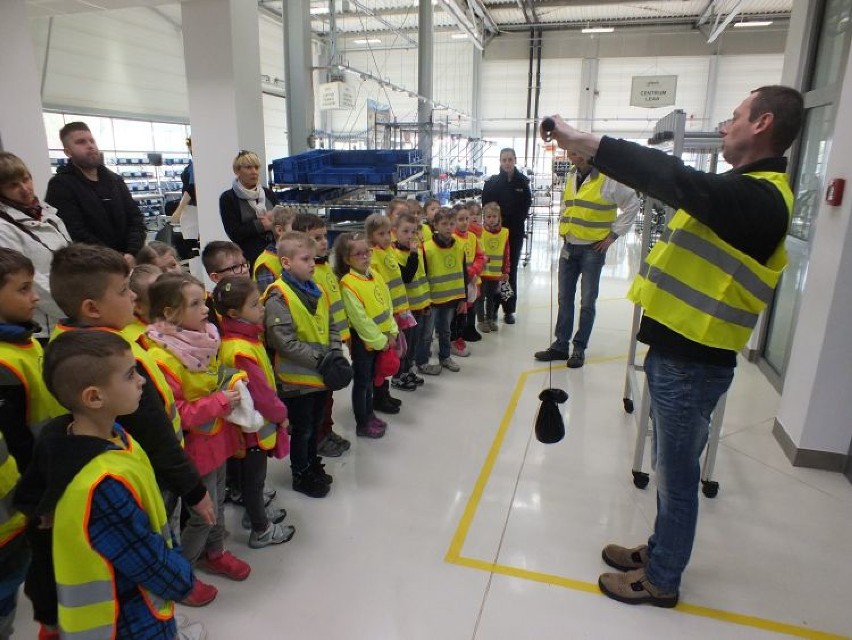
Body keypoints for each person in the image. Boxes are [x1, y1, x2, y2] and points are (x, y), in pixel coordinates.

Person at [541, 85, 803, 607]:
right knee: (668, 469)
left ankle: (662, 579)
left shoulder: (760, 199)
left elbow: (672, 178)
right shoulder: (744, 189)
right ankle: (660, 550)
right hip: (680, 353)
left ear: (762, 123)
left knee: (677, 478)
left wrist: (584, 139)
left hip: (693, 360)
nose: (725, 127)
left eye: (735, 117)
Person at [46, 244, 216, 610]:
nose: (136, 298)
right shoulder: (106, 358)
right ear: (92, 308)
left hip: (141, 465)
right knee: (157, 546)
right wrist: (194, 489)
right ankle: (172, 600)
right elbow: (153, 428)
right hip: (149, 473)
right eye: (124, 292)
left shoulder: (80, 342)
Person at [27, 330, 195, 639]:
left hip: (135, 598)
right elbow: (147, 561)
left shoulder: (112, 434)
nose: (141, 380)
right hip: (125, 617)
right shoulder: (99, 485)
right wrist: (184, 579)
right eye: (130, 375)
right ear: (94, 397)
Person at [0, 249, 65, 640]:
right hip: (21, 504)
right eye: (23, 289)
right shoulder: (5, 364)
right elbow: (19, 441)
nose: (35, 297)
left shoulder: (25, 343)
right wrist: (42, 499)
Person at [533, 150, 640, 368]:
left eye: (579, 152)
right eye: (572, 153)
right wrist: (564, 227)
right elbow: (568, 205)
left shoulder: (609, 178)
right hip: (569, 247)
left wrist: (613, 235)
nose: (575, 156)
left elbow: (632, 205)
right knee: (564, 299)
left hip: (593, 249)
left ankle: (579, 348)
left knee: (587, 302)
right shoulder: (572, 175)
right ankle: (561, 345)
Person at [213, 275, 294, 548]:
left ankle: (254, 512)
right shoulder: (241, 350)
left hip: (249, 426)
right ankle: (260, 528)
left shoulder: (239, 340)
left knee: (250, 478)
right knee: (254, 480)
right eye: (254, 305)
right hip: (252, 430)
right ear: (235, 313)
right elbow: (260, 394)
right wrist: (281, 415)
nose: (261, 308)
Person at [264, 232, 338, 493]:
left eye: (313, 258)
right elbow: (283, 341)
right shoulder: (278, 296)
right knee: (303, 428)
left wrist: (336, 353)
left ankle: (312, 462)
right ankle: (301, 473)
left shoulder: (317, 290)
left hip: (320, 376)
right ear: (286, 262)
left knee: (316, 424)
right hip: (297, 380)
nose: (311, 264)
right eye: (305, 259)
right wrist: (323, 360)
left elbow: (331, 325)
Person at [291, 213, 352, 458]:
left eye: (324, 236)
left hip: (336, 341)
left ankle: (326, 430)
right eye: (316, 238)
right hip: (320, 348)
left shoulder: (325, 267)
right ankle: (318, 438)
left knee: (329, 396)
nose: (324, 242)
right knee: (318, 399)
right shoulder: (307, 275)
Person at [45, 122, 147, 262]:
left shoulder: (115, 181)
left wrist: (131, 252)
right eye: (81, 142)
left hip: (129, 260)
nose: (90, 145)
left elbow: (135, 219)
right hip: (93, 267)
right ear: (68, 152)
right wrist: (113, 257)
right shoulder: (60, 186)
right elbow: (74, 231)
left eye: (91, 140)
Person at [0, 153, 72, 338]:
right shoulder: (3, 227)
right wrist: (73, 308)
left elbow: (71, 256)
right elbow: (29, 281)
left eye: (26, 179)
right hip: (41, 327)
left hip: (68, 311)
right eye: (13, 185)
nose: (25, 189)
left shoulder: (49, 214)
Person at [333, 232, 395, 439]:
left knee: (371, 381)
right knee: (362, 382)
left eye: (366, 252)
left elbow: (387, 304)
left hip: (382, 340)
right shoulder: (348, 284)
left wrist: (392, 331)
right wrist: (381, 341)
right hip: (365, 343)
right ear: (346, 259)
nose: (365, 257)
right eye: (358, 254)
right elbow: (360, 321)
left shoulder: (375, 274)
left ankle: (370, 413)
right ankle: (362, 422)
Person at [367, 213, 412, 410]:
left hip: (396, 312)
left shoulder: (389, 251)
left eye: (388, 233)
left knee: (391, 356)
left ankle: (385, 393)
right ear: (370, 237)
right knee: (382, 359)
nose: (386, 237)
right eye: (380, 234)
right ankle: (378, 397)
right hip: (384, 315)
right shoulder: (372, 255)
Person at [481, 148, 531, 324]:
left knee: (509, 272)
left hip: (514, 234)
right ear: (500, 161)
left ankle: (509, 309)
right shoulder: (493, 183)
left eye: (510, 159)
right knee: (492, 272)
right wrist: (493, 224)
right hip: (493, 233)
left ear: (515, 160)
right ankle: (492, 309)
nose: (507, 163)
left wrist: (514, 225)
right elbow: (486, 205)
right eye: (504, 160)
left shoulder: (522, 183)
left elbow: (526, 206)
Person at [417, 209, 467, 375]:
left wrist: (463, 299)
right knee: (426, 334)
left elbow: (463, 273)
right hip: (432, 300)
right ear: (435, 225)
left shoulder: (459, 245)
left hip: (451, 299)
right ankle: (422, 362)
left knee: (445, 331)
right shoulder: (427, 248)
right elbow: (422, 276)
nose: (448, 227)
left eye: (451, 223)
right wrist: (424, 301)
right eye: (444, 224)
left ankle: (445, 357)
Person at [219, 150, 280, 267]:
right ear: (237, 171)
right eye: (248, 167)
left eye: (256, 168)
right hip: (248, 257)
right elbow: (234, 233)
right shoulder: (228, 198)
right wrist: (261, 225)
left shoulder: (268, 194)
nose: (254, 172)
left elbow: (280, 221)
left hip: (275, 253)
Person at [392, 211, 428, 389]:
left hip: (419, 304)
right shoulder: (395, 254)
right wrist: (413, 254)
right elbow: (407, 276)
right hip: (406, 308)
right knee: (404, 344)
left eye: (413, 232)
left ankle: (408, 370)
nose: (410, 236)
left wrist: (426, 302)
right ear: (395, 232)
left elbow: (422, 276)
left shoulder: (418, 251)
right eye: (405, 231)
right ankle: (398, 375)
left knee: (414, 342)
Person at [451, 203, 486, 351]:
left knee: (471, 305)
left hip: (471, 280)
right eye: (460, 219)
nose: (464, 222)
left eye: (466, 218)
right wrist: (467, 274)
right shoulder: (452, 238)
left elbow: (480, 256)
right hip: (458, 282)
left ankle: (468, 329)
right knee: (458, 310)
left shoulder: (472, 237)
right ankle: (455, 335)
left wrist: (473, 271)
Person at [477, 203, 511, 333]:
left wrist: (506, 270)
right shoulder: (480, 232)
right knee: (480, 297)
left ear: (499, 217)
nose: (491, 219)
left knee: (491, 297)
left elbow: (507, 253)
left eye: (494, 216)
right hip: (482, 272)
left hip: (495, 273)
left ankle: (489, 319)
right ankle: (481, 321)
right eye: (488, 216)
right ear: (484, 218)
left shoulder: (504, 232)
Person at [253, 205, 295, 291]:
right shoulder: (266, 263)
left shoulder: (295, 256)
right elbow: (268, 299)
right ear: (279, 230)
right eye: (294, 228)